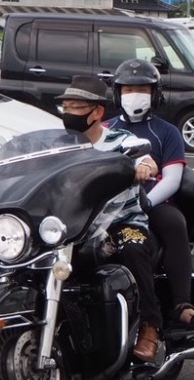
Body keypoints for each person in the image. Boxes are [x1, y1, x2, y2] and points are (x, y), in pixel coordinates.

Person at [55, 76, 163, 363]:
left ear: (97, 112)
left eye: (76, 107)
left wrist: (142, 166)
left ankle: (150, 328)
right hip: (73, 226)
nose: (68, 113)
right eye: (65, 106)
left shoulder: (120, 140)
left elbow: (146, 158)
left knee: (133, 249)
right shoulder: (60, 144)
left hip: (121, 224)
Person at [108, 58, 194, 331]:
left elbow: (172, 178)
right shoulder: (105, 131)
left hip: (152, 203)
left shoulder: (167, 132)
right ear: (117, 93)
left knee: (175, 223)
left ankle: (182, 304)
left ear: (155, 93)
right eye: (128, 90)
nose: (134, 95)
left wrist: (146, 202)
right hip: (108, 207)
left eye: (142, 89)